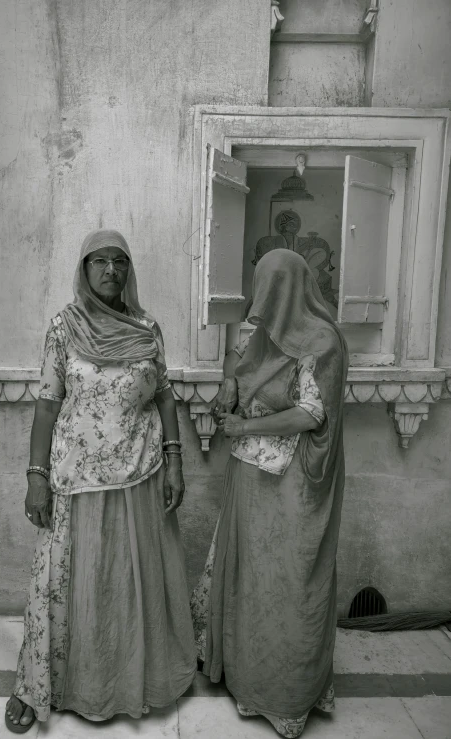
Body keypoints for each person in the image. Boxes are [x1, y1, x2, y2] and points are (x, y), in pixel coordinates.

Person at [5, 230, 196, 733]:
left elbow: (166, 398)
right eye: (100, 261)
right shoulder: (63, 328)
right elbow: (47, 405)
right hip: (75, 476)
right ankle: (39, 682)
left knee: (130, 584)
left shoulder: (147, 328)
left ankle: (127, 678)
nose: (111, 270)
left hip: (140, 475)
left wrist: (175, 460)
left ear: (128, 272)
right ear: (84, 268)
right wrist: (36, 477)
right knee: (61, 583)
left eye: (120, 262)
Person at [191, 249, 348, 738]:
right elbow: (237, 358)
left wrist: (244, 425)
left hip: (294, 485)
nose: (262, 297)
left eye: (269, 286)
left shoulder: (323, 342)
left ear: (290, 287)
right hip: (252, 475)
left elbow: (311, 413)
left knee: (288, 580)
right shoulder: (268, 334)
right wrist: (228, 386)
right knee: (249, 574)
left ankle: (285, 694)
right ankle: (242, 673)